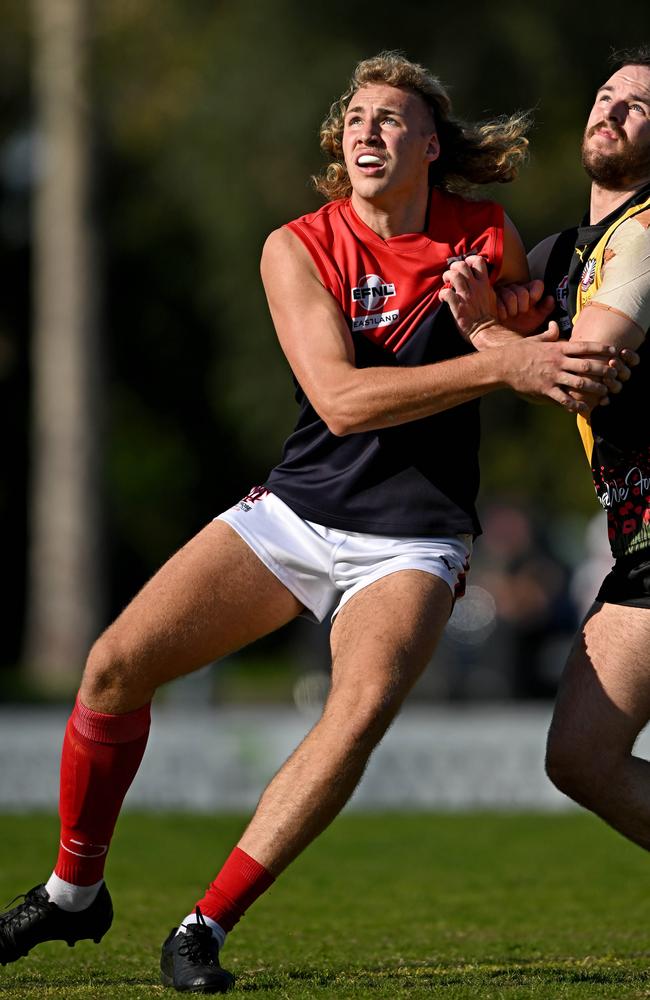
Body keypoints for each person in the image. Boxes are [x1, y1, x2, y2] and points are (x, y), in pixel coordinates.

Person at [0, 52, 629, 993]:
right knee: (110, 670)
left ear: (429, 144)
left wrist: (539, 347)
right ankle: (72, 893)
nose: (367, 131)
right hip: (297, 513)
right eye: (356, 118)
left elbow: (528, 357)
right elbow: (339, 401)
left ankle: (203, 927)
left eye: (391, 119)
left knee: (360, 706)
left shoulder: (483, 231)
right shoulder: (296, 244)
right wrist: (501, 362)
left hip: (415, 538)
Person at [441, 47, 650, 860]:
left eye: (640, 103)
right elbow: (495, 324)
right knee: (582, 758)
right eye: (607, 95)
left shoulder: (645, 232)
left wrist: (492, 337)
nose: (615, 109)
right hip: (637, 543)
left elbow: (581, 373)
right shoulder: (564, 256)